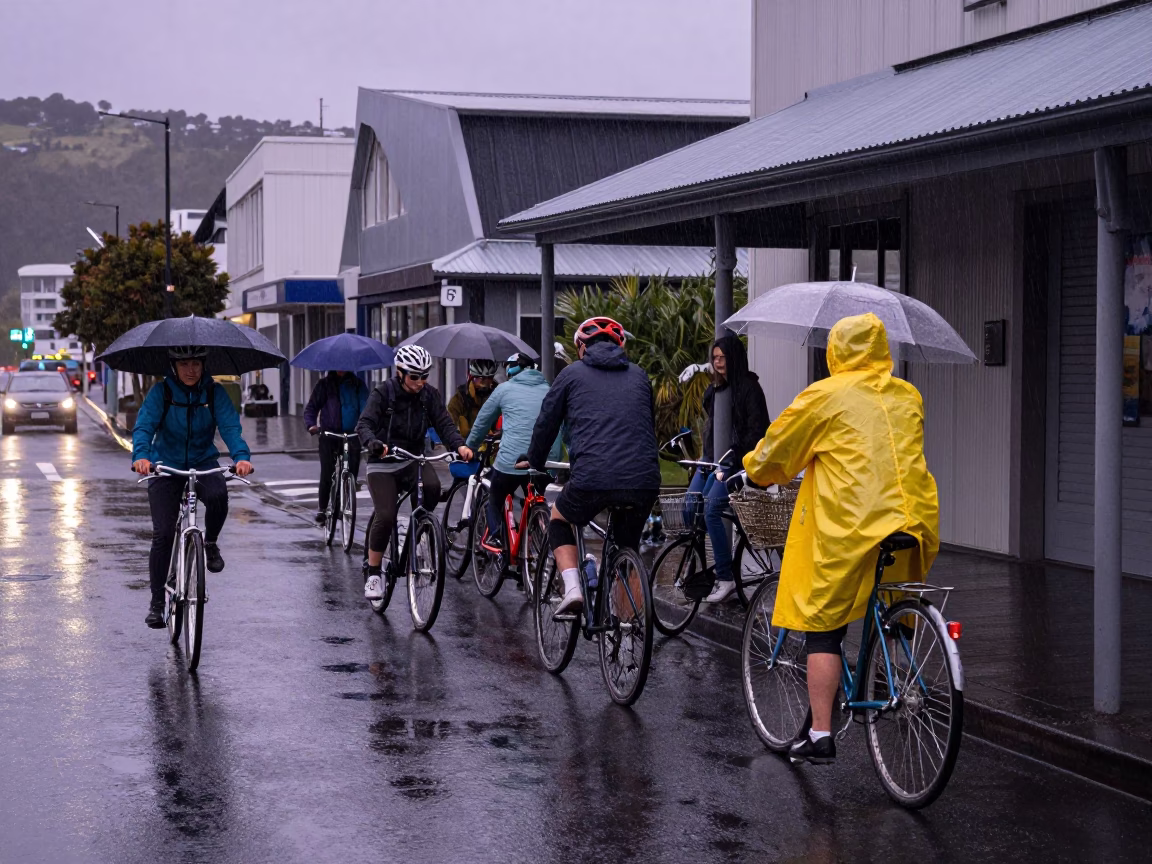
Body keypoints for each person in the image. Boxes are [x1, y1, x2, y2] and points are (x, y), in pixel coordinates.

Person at [742, 313, 940, 765]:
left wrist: (755, 470)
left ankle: (820, 733)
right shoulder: (908, 394)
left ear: (836, 351)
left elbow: (779, 451)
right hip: (913, 517)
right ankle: (886, 670)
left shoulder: (825, 397)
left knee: (822, 624)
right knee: (887, 593)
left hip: (852, 522)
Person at [526, 317, 661, 614]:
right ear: (619, 345)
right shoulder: (639, 375)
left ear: (581, 348)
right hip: (643, 480)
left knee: (560, 516)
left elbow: (547, 423)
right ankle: (629, 629)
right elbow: (648, 426)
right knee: (628, 548)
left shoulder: (571, 374)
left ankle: (573, 588)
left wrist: (535, 461)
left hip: (593, 477)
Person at [131, 346, 254, 629]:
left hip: (203, 461)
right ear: (174, 366)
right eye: (184, 364)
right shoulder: (161, 393)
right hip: (165, 466)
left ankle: (209, 543)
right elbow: (144, 427)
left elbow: (230, 427)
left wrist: (241, 457)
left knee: (219, 494)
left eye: (196, 364)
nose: (191, 370)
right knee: (162, 533)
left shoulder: (213, 393)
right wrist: (141, 456)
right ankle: (157, 602)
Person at [356, 344, 473, 600]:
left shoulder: (429, 395)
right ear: (400, 372)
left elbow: (444, 422)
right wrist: (373, 444)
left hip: (413, 459)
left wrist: (460, 446)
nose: (420, 382)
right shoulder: (383, 393)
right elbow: (363, 424)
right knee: (386, 516)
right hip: (383, 463)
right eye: (414, 376)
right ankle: (373, 571)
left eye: (424, 376)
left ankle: (417, 534)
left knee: (432, 489)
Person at [687, 334, 770, 603]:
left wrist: (735, 455)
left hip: (741, 463)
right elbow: (711, 429)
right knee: (690, 505)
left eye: (723, 357)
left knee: (712, 507)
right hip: (714, 460)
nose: (718, 362)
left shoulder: (749, 388)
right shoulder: (714, 391)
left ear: (734, 357)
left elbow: (758, 432)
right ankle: (708, 568)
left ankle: (726, 578)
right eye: (715, 357)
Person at [467, 353, 561, 562]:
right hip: (547, 460)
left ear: (510, 371)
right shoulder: (551, 390)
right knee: (536, 494)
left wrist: (470, 447)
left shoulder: (504, 389)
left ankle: (495, 536)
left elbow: (483, 422)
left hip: (513, 460)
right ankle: (536, 543)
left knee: (495, 494)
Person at [304, 370, 369, 525]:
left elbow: (366, 410)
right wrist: (311, 425)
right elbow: (311, 408)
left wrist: (365, 428)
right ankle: (322, 508)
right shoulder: (324, 385)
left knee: (351, 473)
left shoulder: (358, 385)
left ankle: (342, 504)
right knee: (327, 472)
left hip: (353, 436)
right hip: (329, 435)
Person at [447, 359, 498, 439]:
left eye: (489, 378)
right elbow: (449, 427)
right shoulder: (460, 399)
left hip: (494, 444)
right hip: (467, 445)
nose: (485, 383)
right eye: (482, 378)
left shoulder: (499, 394)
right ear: (472, 377)